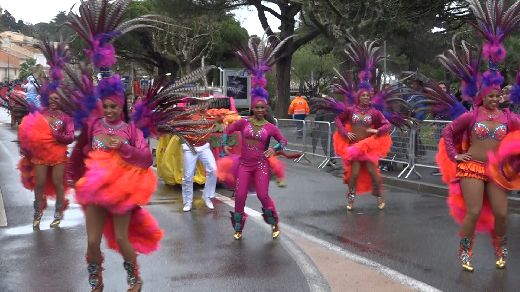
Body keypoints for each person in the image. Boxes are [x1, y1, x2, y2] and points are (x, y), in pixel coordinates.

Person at [68, 76, 163, 291]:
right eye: (106, 106)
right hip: (96, 189)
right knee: (92, 241)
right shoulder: (93, 126)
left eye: (114, 107)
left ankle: (134, 277)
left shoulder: (131, 130)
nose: (109, 111)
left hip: (122, 191)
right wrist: (75, 175)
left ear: (122, 107)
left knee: (122, 238)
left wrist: (123, 147)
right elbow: (81, 152)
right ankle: (96, 278)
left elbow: (146, 158)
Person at [222, 98, 287, 240]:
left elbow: (283, 141)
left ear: (265, 110)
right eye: (257, 107)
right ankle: (238, 228)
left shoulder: (270, 127)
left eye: (262, 108)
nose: (259, 110)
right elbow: (228, 130)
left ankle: (274, 223)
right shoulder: (244, 122)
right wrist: (225, 143)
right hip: (244, 165)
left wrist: (273, 148)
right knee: (239, 196)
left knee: (262, 195)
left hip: (261, 165)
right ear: (252, 108)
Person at [18, 92, 74, 229]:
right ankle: (37, 213)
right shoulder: (41, 114)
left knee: (58, 182)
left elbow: (70, 136)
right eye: (50, 99)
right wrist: (26, 146)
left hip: (58, 154)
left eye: (56, 98)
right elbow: (29, 130)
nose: (52, 101)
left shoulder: (66, 118)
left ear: (62, 100)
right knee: (39, 183)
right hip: (41, 155)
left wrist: (57, 135)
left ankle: (58, 214)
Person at [334, 90, 391, 210]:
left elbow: (387, 125)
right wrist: (345, 133)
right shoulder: (351, 110)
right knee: (354, 175)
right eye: (363, 95)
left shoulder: (375, 112)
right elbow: (338, 119)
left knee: (373, 173)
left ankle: (379, 195)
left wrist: (377, 131)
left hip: (368, 147)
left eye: (368, 96)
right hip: (355, 148)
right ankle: (351, 198)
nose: (366, 97)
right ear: (358, 97)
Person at [180, 109, 218, 212]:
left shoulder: (209, 115)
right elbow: (176, 126)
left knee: (213, 170)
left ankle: (208, 196)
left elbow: (219, 120)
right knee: (188, 176)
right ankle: (188, 201)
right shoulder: (185, 115)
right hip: (189, 148)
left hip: (204, 147)